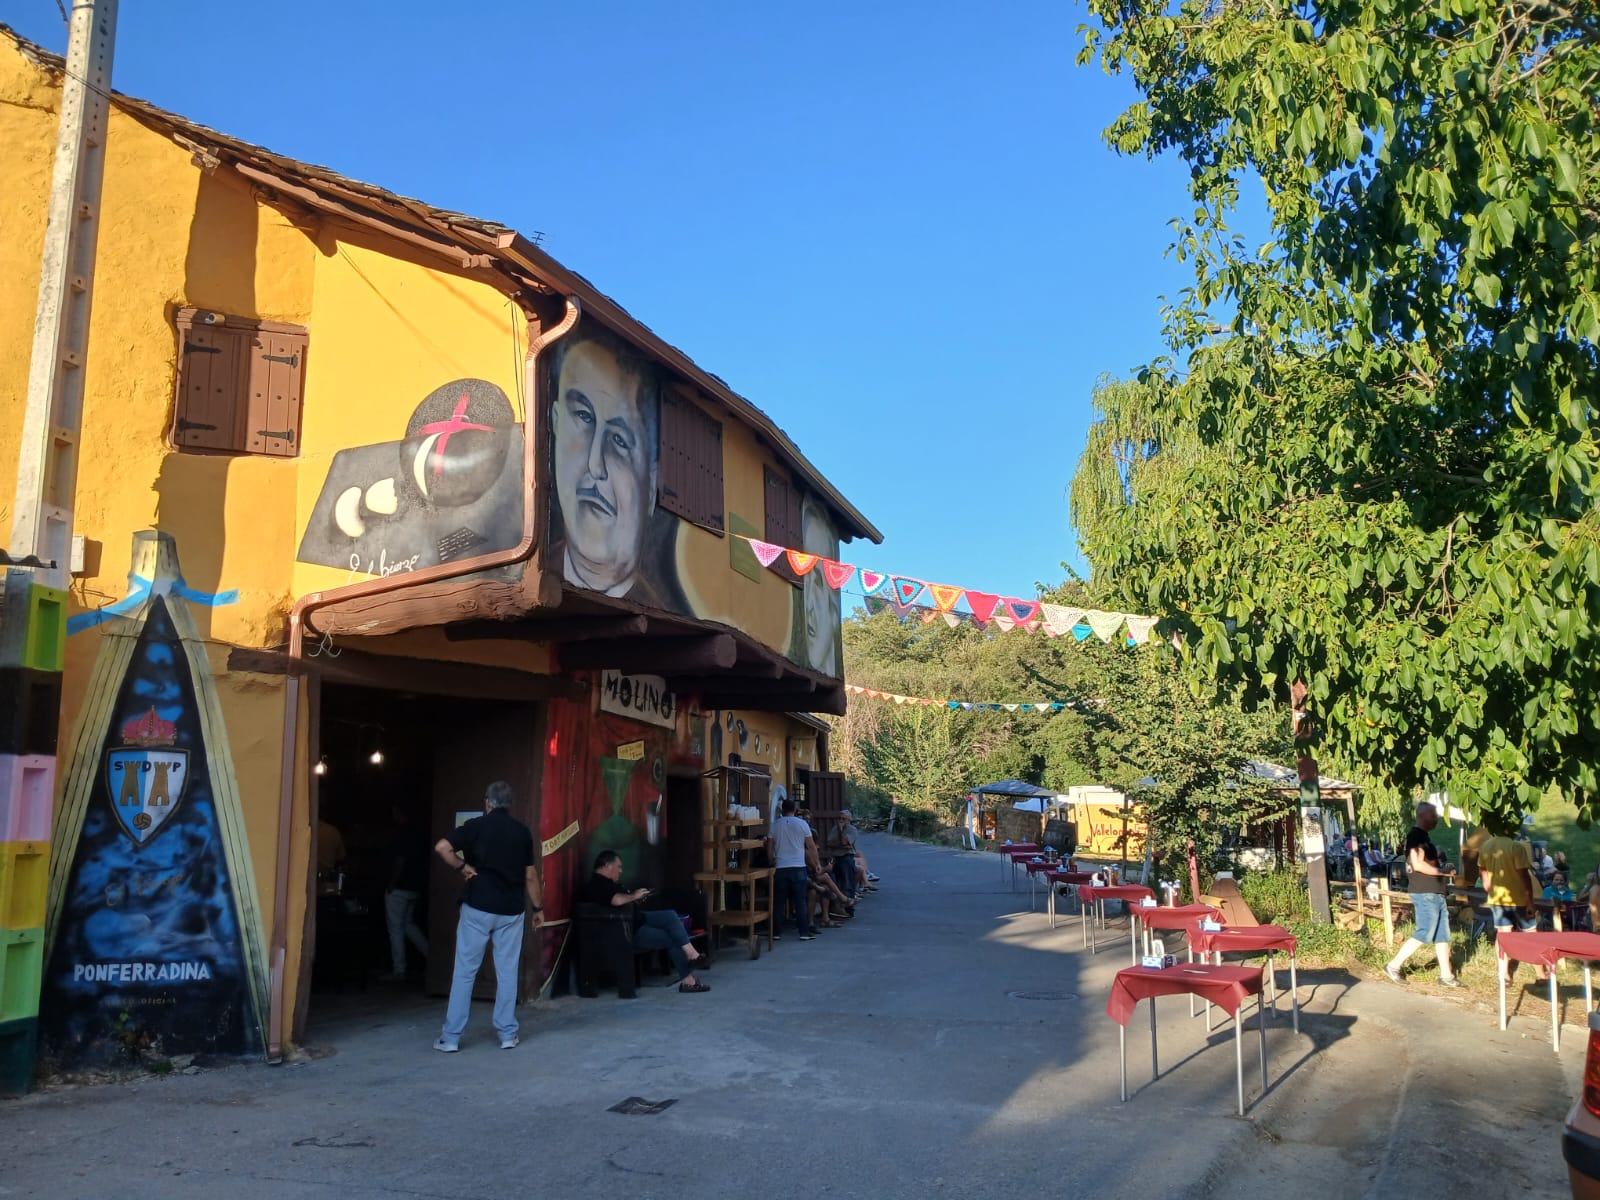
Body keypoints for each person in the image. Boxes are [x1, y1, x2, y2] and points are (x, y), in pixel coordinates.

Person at [432, 781, 541, 1052]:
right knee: (506, 972)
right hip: (511, 911)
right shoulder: (522, 832)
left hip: (477, 907)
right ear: (509, 804)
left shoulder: (475, 827)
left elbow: (442, 847)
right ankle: (506, 1034)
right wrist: (538, 909)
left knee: (465, 972)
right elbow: (529, 875)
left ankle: (451, 1037)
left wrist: (462, 866)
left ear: (488, 802)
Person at [551, 335, 658, 599]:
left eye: (620, 440)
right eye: (583, 416)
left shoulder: (666, 631)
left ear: (652, 490)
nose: (595, 464)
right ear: (555, 423)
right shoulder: (526, 578)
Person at [578, 850, 709, 993]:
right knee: (672, 938)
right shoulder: (596, 885)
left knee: (670, 915)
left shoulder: (608, 882)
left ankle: (692, 954)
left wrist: (636, 898)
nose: (621, 871)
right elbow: (616, 900)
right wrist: (634, 896)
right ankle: (688, 981)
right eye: (619, 867)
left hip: (637, 919)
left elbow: (622, 900)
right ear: (608, 866)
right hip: (628, 931)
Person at [1384, 802, 1462, 987]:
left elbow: (1428, 863)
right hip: (1425, 892)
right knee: (1425, 931)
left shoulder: (1424, 837)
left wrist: (1442, 869)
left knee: (1442, 934)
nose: (1436, 818)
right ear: (1422, 816)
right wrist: (1441, 873)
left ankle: (1446, 976)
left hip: (1435, 891)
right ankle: (1393, 965)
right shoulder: (1415, 836)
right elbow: (1417, 864)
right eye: (1433, 815)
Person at [1477, 813, 1547, 985]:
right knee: (1531, 935)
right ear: (1510, 828)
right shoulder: (1516, 847)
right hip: (1519, 898)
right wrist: (1530, 900)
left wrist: (1487, 885)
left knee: (1503, 935)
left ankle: (1504, 975)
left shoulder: (1486, 846)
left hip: (1498, 898)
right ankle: (1540, 974)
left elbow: (1482, 868)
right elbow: (1524, 876)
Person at [382, 805, 430, 980]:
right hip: (415, 887)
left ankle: (399, 969)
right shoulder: (419, 833)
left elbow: (399, 861)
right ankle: (432, 960)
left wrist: (392, 883)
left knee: (395, 928)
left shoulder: (401, 834)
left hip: (399, 888)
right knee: (408, 925)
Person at [767, 796, 817, 941]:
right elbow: (811, 846)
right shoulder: (802, 824)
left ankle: (776, 932)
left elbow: (770, 848)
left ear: (782, 810)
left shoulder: (775, 825)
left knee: (779, 901)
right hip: (798, 867)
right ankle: (804, 932)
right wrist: (816, 862)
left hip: (781, 867)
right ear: (795, 810)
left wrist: (771, 861)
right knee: (800, 900)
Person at [825, 809, 860, 899]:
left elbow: (845, 843)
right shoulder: (834, 828)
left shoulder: (852, 830)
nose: (840, 820)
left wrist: (841, 831)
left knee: (848, 883)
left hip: (846, 858)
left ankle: (849, 905)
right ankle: (839, 905)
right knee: (837, 882)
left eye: (843, 819)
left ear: (849, 820)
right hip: (836, 858)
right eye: (839, 818)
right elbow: (828, 843)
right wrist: (841, 845)